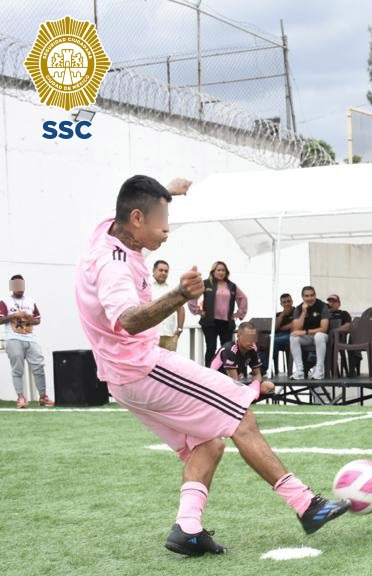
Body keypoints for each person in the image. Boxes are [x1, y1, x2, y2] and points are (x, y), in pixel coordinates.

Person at [74, 175, 349, 556]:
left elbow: (134, 205)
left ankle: (187, 530)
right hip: (141, 366)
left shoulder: (106, 230)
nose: (167, 229)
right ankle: (306, 506)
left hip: (120, 379)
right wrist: (180, 295)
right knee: (241, 413)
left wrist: (168, 191)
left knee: (207, 443)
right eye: (162, 219)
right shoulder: (113, 265)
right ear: (137, 218)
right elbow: (130, 320)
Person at [0, 275, 54, 408]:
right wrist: (14, 315)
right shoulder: (4, 301)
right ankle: (20, 398)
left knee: (39, 367)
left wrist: (29, 319)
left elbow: (38, 320)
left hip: (30, 338)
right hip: (13, 339)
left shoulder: (30, 301)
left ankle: (43, 397)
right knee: (18, 370)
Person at [188, 261, 247, 367]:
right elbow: (193, 296)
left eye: (223, 270)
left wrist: (239, 314)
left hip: (226, 323)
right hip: (210, 322)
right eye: (218, 270)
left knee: (226, 348)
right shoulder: (206, 283)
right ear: (213, 271)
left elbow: (243, 298)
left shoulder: (232, 286)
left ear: (226, 272)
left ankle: (225, 372)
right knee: (211, 347)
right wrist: (198, 311)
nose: (221, 272)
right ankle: (209, 371)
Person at [211, 321, 272, 393]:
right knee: (238, 390)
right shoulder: (229, 350)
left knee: (269, 386)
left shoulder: (252, 348)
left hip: (234, 384)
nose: (251, 341)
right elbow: (234, 381)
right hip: (216, 385)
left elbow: (257, 374)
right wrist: (249, 392)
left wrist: (255, 386)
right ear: (238, 336)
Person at [289, 286, 330, 380]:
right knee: (293, 337)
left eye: (312, 295)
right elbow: (296, 329)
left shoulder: (322, 306)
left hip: (322, 337)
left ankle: (319, 370)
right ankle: (300, 371)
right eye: (307, 296)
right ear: (302, 297)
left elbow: (324, 328)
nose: (310, 298)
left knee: (319, 336)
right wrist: (303, 312)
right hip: (307, 338)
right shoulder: (299, 309)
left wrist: (305, 331)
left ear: (315, 295)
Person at [150, 260, 184, 352]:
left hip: (170, 334)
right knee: (151, 364)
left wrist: (179, 329)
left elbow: (180, 308)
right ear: (154, 270)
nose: (163, 273)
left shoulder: (172, 289)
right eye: (160, 270)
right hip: (150, 335)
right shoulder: (147, 287)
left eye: (166, 271)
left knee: (169, 365)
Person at [326, 293, 359, 375]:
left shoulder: (343, 313)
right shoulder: (325, 315)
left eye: (334, 301)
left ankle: (336, 372)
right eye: (330, 302)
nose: (331, 304)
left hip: (339, 339)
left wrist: (335, 330)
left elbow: (348, 326)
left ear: (339, 304)